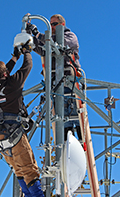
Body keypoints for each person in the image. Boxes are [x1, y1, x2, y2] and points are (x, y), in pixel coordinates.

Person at [0, 42, 47, 197]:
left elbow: (5, 72)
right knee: (30, 170)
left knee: (19, 171)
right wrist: (27, 53)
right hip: (13, 134)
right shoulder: (11, 84)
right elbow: (27, 67)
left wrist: (13, 57)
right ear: (5, 74)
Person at [26, 14, 82, 142]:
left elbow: (57, 42)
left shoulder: (70, 37)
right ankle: (67, 149)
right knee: (62, 121)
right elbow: (41, 48)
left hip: (70, 83)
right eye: (50, 24)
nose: (51, 27)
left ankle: (81, 146)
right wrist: (29, 34)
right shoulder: (50, 41)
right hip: (55, 85)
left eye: (54, 24)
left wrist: (37, 34)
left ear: (62, 24)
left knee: (77, 117)